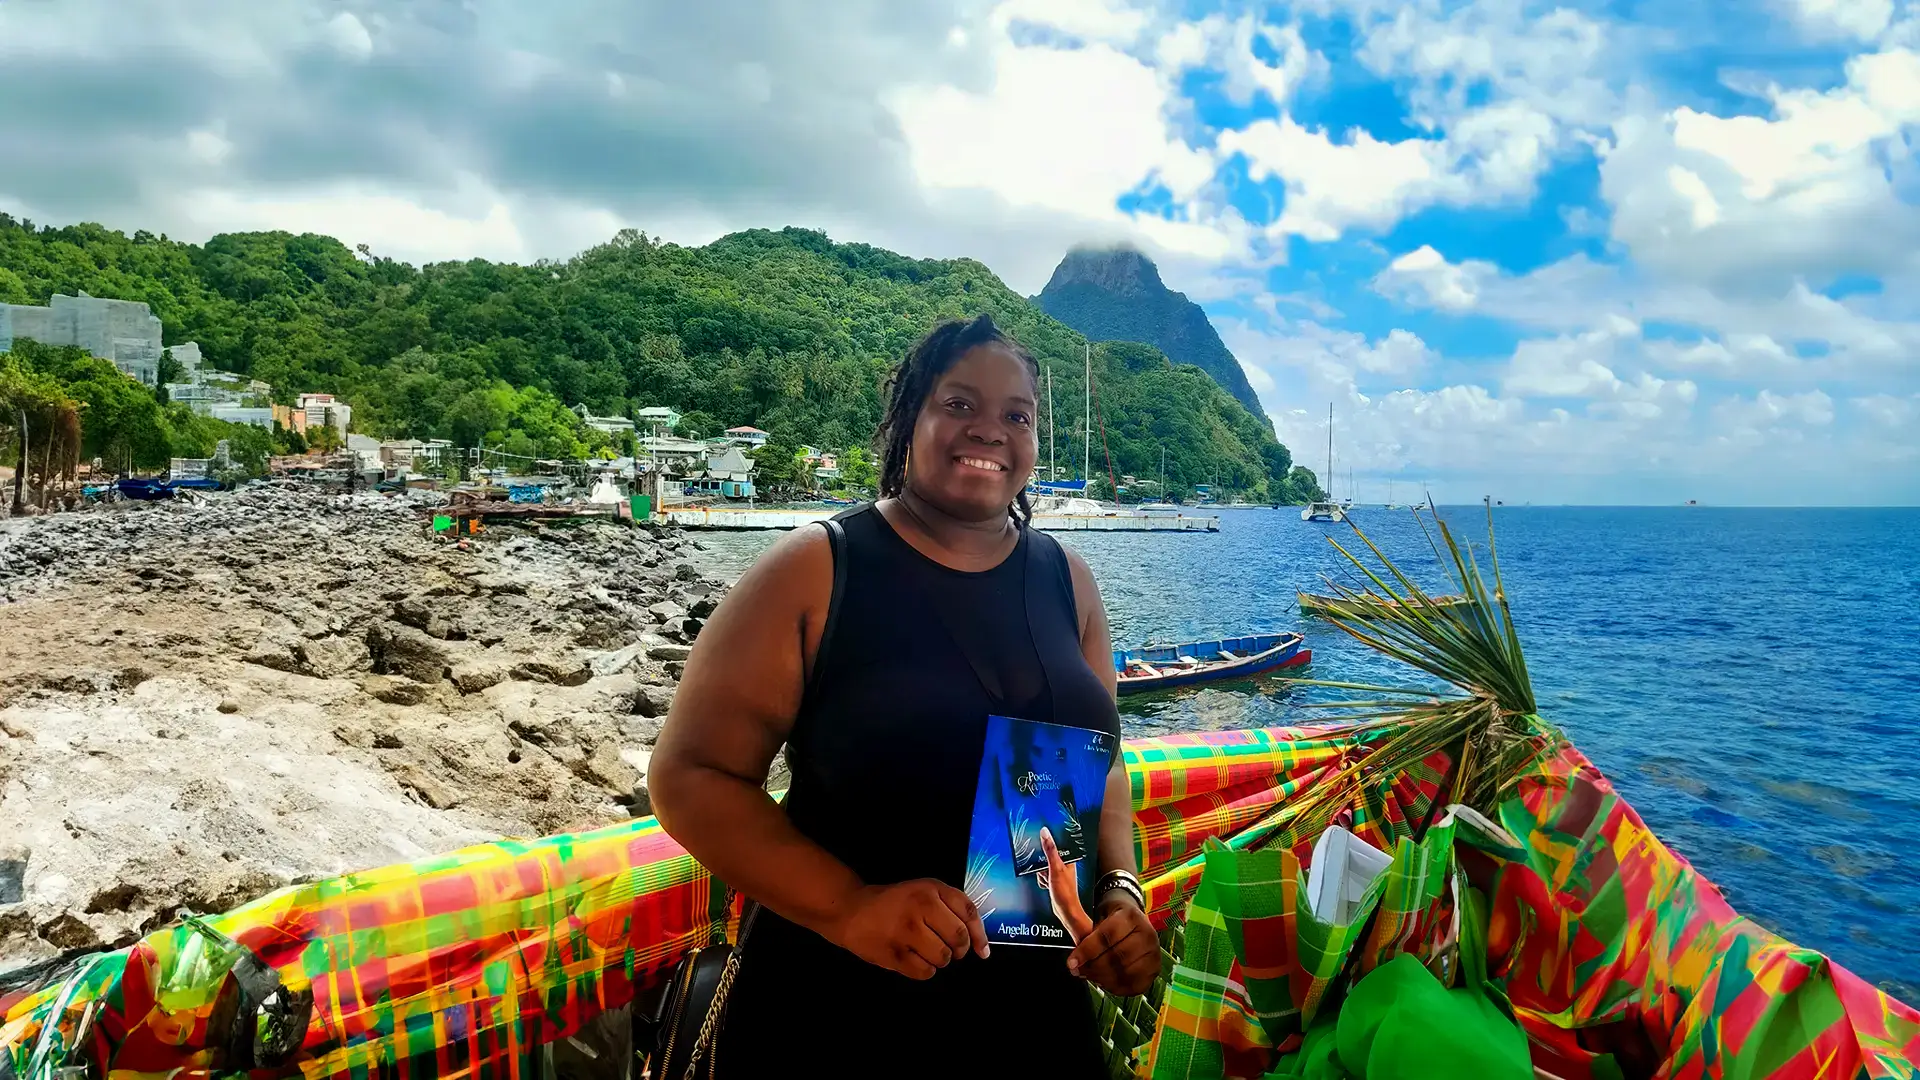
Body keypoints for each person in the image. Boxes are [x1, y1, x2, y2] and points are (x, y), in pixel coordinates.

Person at [650, 314, 1159, 1078]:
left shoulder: (1068, 581)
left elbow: (1103, 764)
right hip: (840, 1005)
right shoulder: (819, 569)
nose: (988, 429)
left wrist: (1119, 892)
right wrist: (850, 905)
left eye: (1015, 415)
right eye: (958, 404)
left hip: (1032, 1016)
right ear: (909, 421)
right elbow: (689, 777)